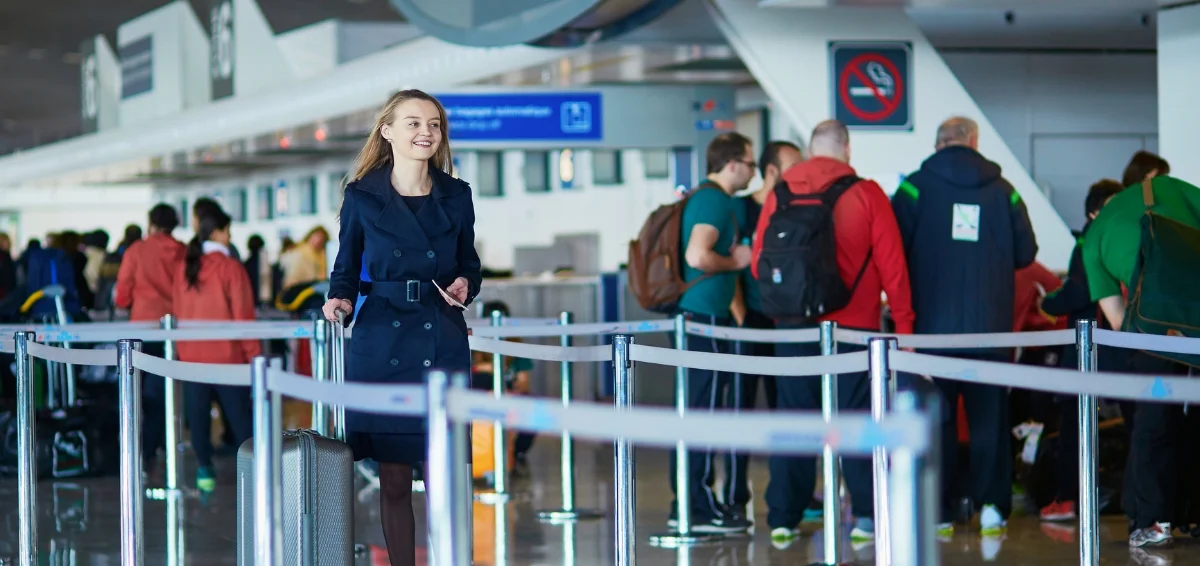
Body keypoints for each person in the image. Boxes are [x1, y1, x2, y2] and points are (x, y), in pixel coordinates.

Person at [321, 89, 481, 566]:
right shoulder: (362, 195)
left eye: (433, 124)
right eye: (413, 123)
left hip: (441, 333)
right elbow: (345, 264)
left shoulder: (457, 194)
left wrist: (464, 286)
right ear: (387, 131)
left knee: (443, 472)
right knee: (392, 478)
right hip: (382, 336)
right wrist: (340, 298)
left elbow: (470, 264)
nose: (425, 132)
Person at [752, 120, 915, 544]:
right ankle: (865, 516)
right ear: (847, 149)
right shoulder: (867, 193)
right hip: (853, 331)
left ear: (810, 150)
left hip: (793, 331)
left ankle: (784, 517)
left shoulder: (782, 191)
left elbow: (758, 264)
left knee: (794, 419)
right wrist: (905, 330)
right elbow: (894, 270)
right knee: (857, 421)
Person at [892, 116, 1037, 536]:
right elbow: (1026, 253)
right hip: (990, 328)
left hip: (931, 329)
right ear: (974, 142)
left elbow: (893, 248)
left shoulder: (914, 187)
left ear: (938, 144)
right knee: (988, 417)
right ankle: (992, 507)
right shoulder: (1004, 190)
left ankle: (940, 510)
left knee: (935, 419)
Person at [1081, 153, 1200, 548]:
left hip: (1152, 334)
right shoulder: (1170, 189)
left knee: (1153, 427)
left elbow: (1116, 321)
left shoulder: (1093, 237)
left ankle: (1154, 521)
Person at [665, 132, 755, 534]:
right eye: (750, 164)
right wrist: (734, 259)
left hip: (698, 317)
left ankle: (690, 502)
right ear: (733, 164)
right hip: (704, 319)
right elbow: (697, 255)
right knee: (701, 413)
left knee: (696, 409)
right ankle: (697, 506)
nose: (752, 171)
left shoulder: (705, 197)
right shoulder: (716, 200)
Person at [1036, 178, 1125, 524]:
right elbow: (1080, 291)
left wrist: (1049, 302)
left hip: (1095, 351)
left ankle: (1070, 498)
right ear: (1094, 211)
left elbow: (1073, 293)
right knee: (1078, 427)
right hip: (1100, 351)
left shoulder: (1095, 241)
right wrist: (1052, 301)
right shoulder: (1094, 243)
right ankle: (1071, 497)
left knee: (1080, 425)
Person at [722, 140, 801, 519]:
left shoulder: (792, 208)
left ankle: (790, 493)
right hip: (748, 322)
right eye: (792, 166)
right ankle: (736, 497)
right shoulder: (741, 210)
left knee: (787, 409)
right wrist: (740, 317)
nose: (800, 174)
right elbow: (730, 266)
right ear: (772, 171)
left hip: (784, 324)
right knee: (741, 410)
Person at [173, 203, 258, 492]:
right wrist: (254, 356)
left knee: (198, 420)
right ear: (219, 232)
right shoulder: (231, 268)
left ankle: (204, 473)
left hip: (192, 358)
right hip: (228, 358)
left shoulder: (185, 268)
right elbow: (243, 317)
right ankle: (254, 473)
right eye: (228, 231)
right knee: (240, 420)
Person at [115, 204, 186, 476]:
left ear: (151, 223)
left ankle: (138, 454)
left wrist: (126, 303)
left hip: (140, 330)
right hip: (172, 330)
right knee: (162, 394)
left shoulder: (136, 250)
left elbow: (123, 294)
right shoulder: (181, 251)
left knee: (136, 394)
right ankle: (159, 450)